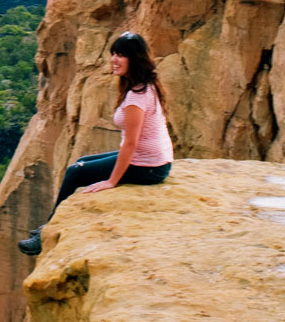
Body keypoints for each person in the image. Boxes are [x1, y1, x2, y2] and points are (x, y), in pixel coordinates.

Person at [17, 31, 173, 257]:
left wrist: (112, 181)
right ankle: (50, 225)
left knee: (75, 172)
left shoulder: (137, 97)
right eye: (113, 54)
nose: (114, 60)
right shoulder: (144, 86)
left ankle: (46, 232)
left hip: (149, 166)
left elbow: (130, 143)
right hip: (154, 161)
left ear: (135, 59)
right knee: (82, 162)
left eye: (121, 55)